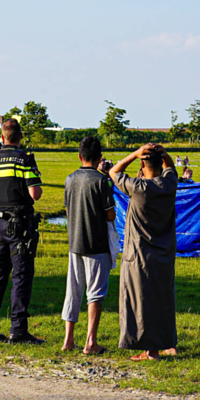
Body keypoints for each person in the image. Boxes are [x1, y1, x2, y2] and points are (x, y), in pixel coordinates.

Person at [109, 144, 178, 361]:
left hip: (139, 255)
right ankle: (163, 344)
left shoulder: (137, 187)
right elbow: (171, 167)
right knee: (162, 299)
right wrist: (163, 153)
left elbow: (114, 172)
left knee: (141, 300)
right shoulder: (169, 184)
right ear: (161, 163)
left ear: (141, 163)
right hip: (164, 254)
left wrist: (135, 153)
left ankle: (151, 351)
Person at [0, 118, 44, 344]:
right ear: (20, 137)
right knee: (21, 278)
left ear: (2, 136)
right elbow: (35, 194)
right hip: (19, 227)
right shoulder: (24, 159)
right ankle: (18, 331)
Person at [61, 137, 116, 355]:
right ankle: (90, 342)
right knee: (95, 294)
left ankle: (68, 340)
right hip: (97, 243)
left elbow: (67, 210)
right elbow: (110, 214)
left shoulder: (69, 178)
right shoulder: (102, 181)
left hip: (75, 242)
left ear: (79, 156)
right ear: (100, 157)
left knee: (72, 291)